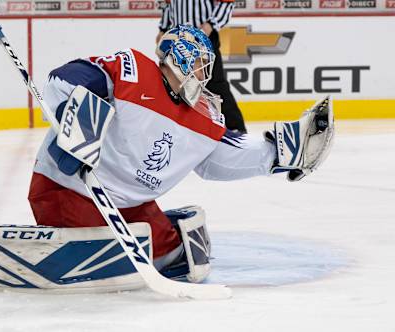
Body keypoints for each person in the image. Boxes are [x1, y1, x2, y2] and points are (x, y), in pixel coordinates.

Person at [28, 25, 333, 282]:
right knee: (104, 259)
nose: (204, 74)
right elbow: (65, 78)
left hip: (129, 203)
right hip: (69, 188)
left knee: (175, 255)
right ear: (181, 58)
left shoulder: (201, 114)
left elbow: (219, 158)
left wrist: (279, 152)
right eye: (201, 64)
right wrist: (77, 119)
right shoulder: (133, 70)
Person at [156, 0, 247, 133]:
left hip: (203, 37)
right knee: (177, 83)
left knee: (214, 84)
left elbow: (227, 2)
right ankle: (181, 128)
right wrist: (163, 29)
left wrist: (211, 24)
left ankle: (236, 129)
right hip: (179, 39)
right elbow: (168, 4)